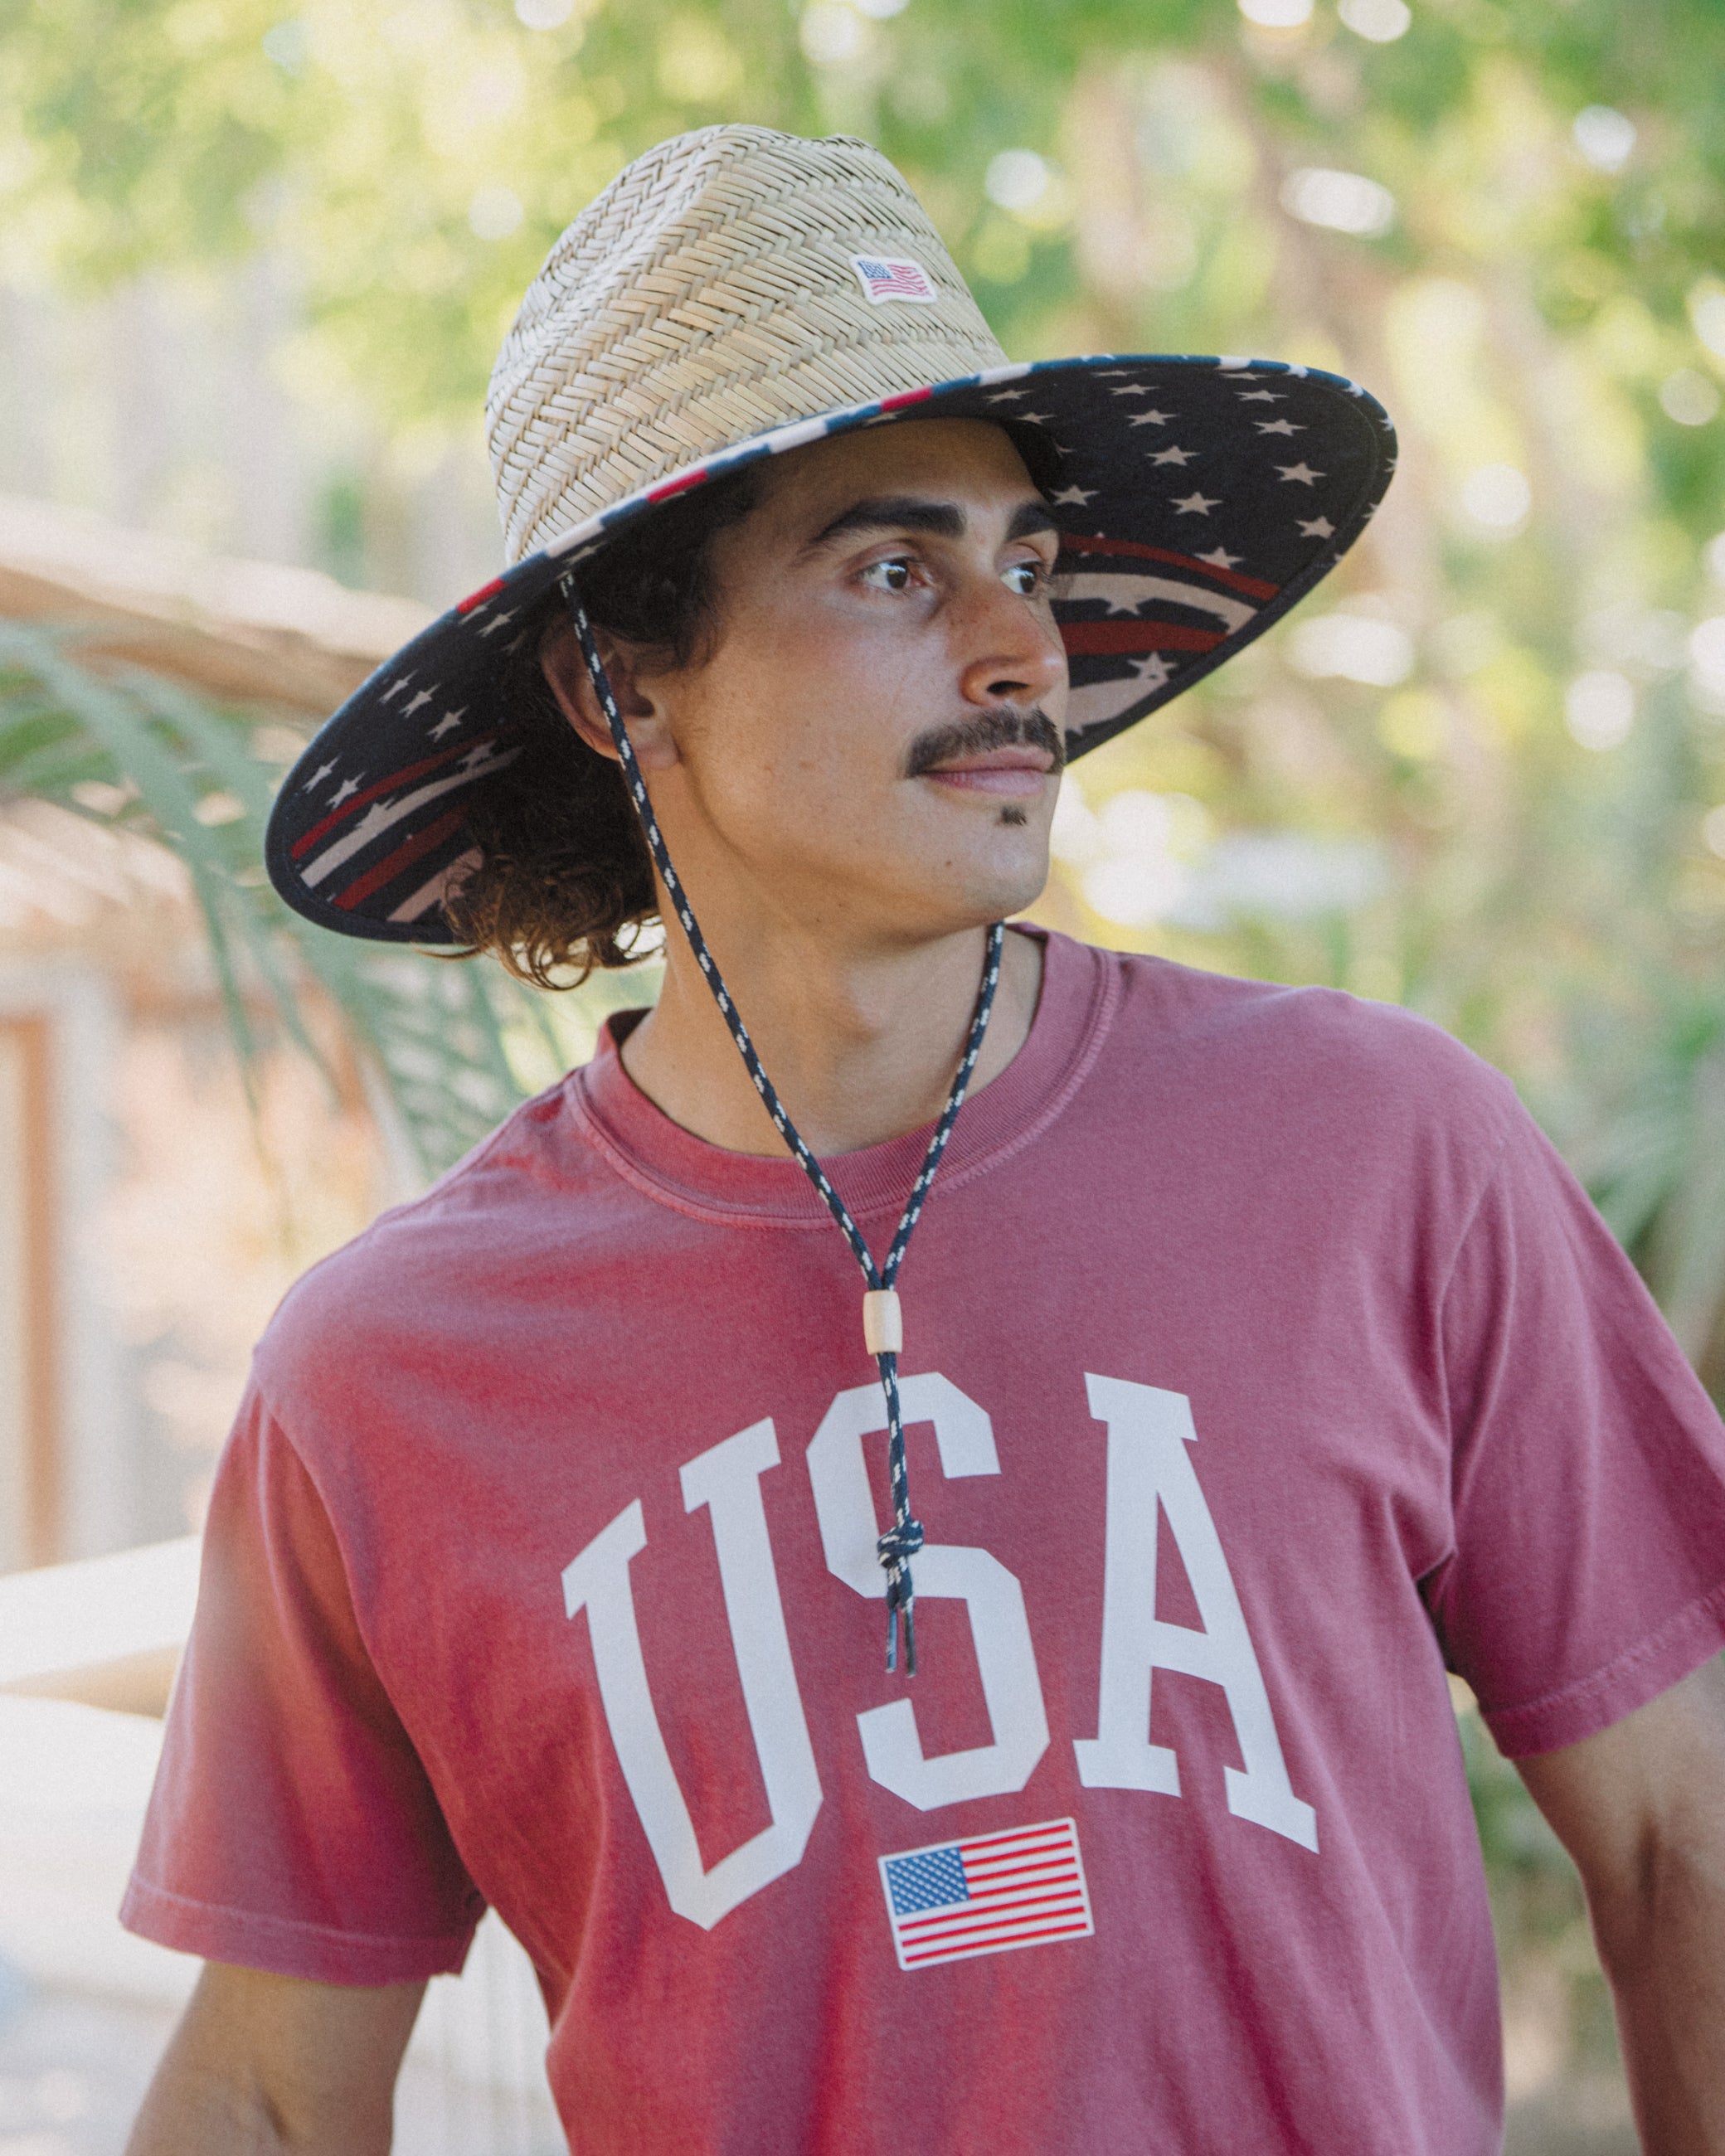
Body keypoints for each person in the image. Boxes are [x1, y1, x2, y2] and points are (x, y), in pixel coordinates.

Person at [123, 126, 1725, 2156]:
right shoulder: (382, 1380)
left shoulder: (1378, 1148)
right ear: (617, 684)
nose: (1018, 651)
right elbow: (265, 2093)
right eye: (895, 568)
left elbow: (1688, 1833)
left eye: (1028, 566)